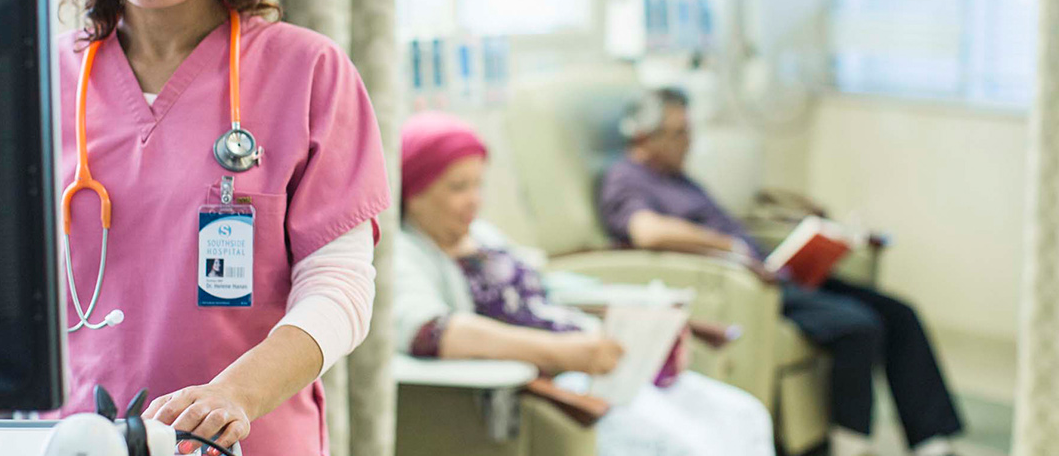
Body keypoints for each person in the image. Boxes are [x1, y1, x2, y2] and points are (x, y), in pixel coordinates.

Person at [43, 0, 390, 454]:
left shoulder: (306, 72)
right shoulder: (34, 79)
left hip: (248, 440)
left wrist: (234, 396)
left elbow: (339, 287)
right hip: (77, 440)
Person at [597, 88, 963, 456]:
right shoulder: (627, 178)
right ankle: (850, 445)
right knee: (859, 325)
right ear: (644, 135)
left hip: (773, 271)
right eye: (679, 133)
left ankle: (932, 439)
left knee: (899, 312)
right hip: (745, 283)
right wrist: (730, 247)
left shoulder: (679, 179)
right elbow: (648, 231)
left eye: (690, 132)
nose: (689, 143)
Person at [395, 111, 775, 456]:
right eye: (458, 187)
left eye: (478, 184)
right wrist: (566, 353)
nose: (475, 201)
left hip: (599, 366)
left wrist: (648, 331)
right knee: (688, 446)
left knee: (745, 415)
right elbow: (434, 331)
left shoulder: (482, 234)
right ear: (414, 191)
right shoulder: (403, 252)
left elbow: (548, 291)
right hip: (556, 389)